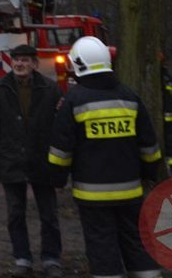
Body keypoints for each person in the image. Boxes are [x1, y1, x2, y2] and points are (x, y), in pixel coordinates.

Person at [47, 36, 162, 278]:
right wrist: (151, 174)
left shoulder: (73, 101)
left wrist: (56, 180)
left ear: (78, 64)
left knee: (102, 245)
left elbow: (61, 151)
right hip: (131, 191)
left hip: (92, 194)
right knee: (136, 240)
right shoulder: (130, 96)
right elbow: (149, 145)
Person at [0, 43, 63, 277]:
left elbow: (60, 127)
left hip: (43, 160)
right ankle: (22, 258)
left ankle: (51, 258)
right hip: (11, 161)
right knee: (15, 214)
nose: (20, 64)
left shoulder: (50, 89)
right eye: (16, 60)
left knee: (49, 214)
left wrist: (62, 160)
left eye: (25, 60)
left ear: (35, 64)